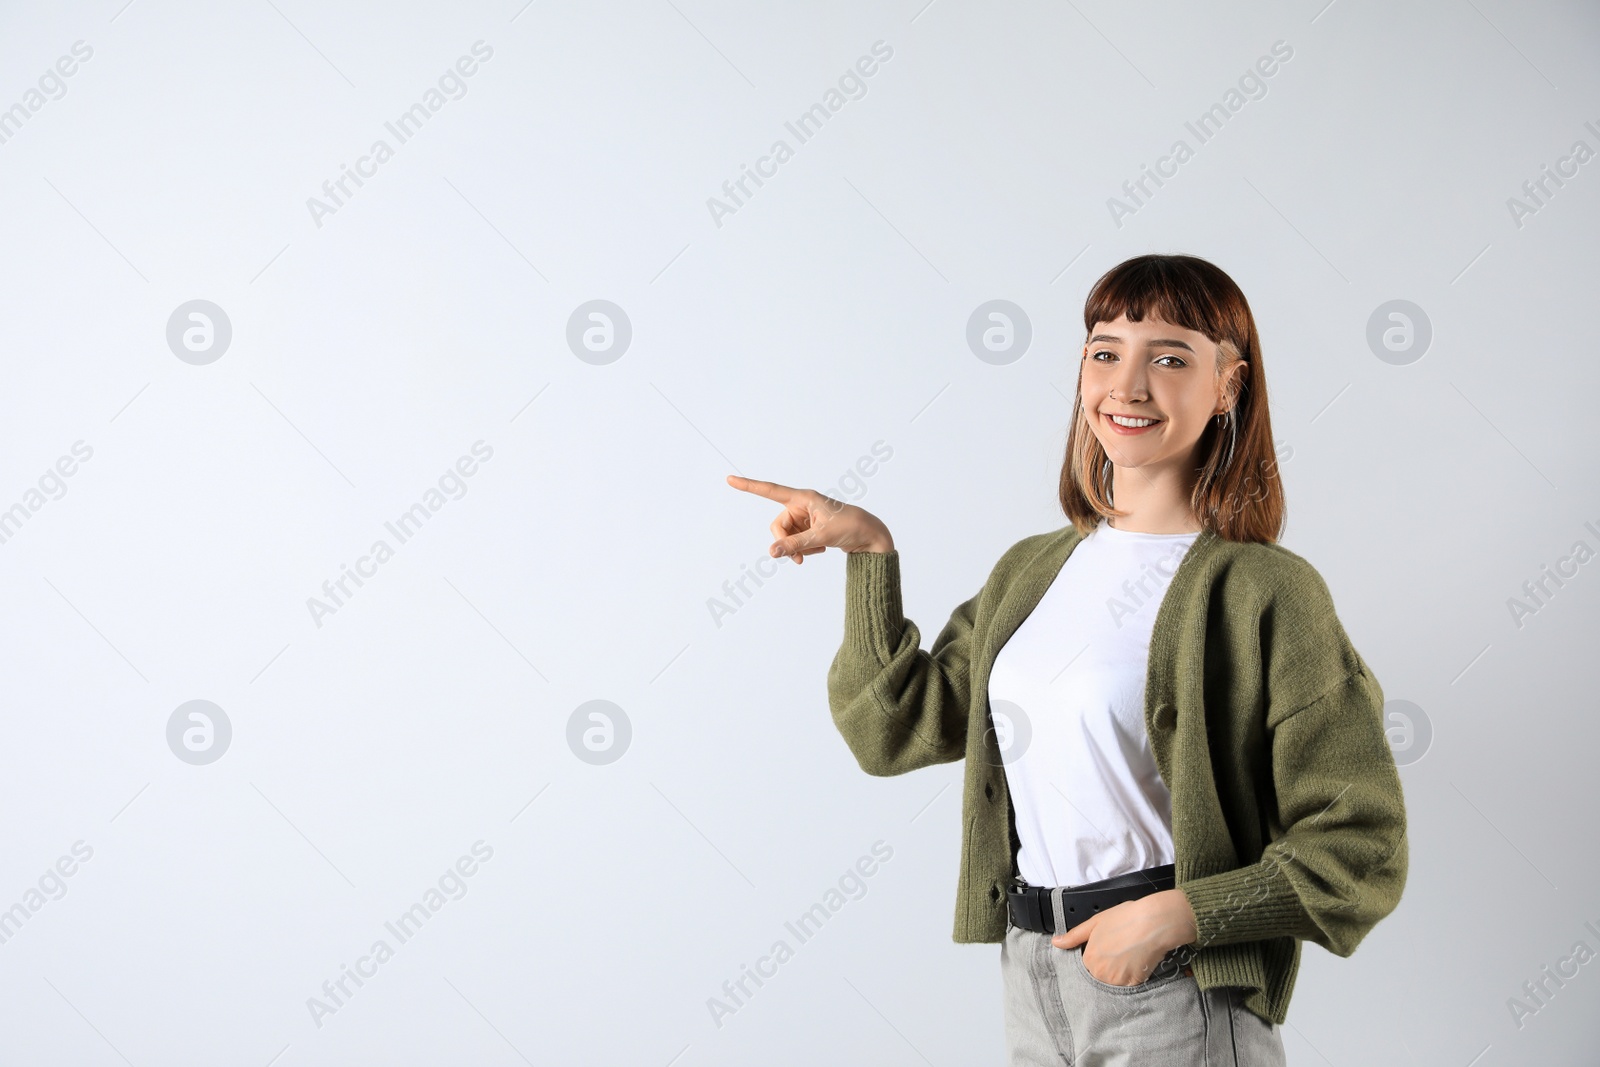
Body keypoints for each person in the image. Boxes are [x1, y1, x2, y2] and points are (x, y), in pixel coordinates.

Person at [727, 253, 1407, 1065]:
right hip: (1032, 970)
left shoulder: (1267, 592)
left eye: (1168, 356)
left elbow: (1363, 841)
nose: (1128, 384)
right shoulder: (1034, 569)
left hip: (1171, 985)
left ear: (1228, 384)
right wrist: (870, 552)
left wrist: (1178, 915)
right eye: (1104, 350)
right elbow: (892, 730)